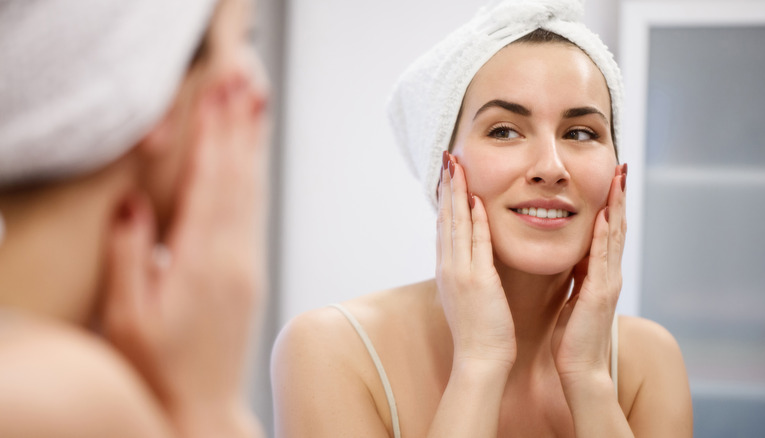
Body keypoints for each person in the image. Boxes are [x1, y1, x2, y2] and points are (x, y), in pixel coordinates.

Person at [271, 0, 693, 436]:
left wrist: (589, 378)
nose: (551, 167)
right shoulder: (329, 350)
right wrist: (479, 362)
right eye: (504, 131)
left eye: (580, 133)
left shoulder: (650, 362)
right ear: (443, 169)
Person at [0, 0, 269, 437]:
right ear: (160, 99)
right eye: (242, 41)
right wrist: (209, 408)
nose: (257, 90)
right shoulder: (74, 402)